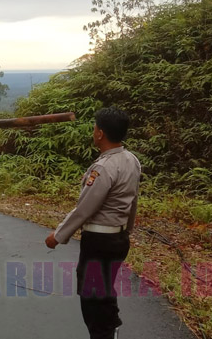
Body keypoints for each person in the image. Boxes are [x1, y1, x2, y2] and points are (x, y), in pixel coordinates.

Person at [45, 107, 140, 339]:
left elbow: (85, 209)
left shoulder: (104, 168)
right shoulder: (131, 160)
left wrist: (58, 236)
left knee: (91, 297)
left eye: (95, 127)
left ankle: (105, 332)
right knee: (104, 290)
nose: (93, 131)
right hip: (118, 239)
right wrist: (127, 230)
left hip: (99, 241)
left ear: (100, 133)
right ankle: (112, 325)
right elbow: (133, 200)